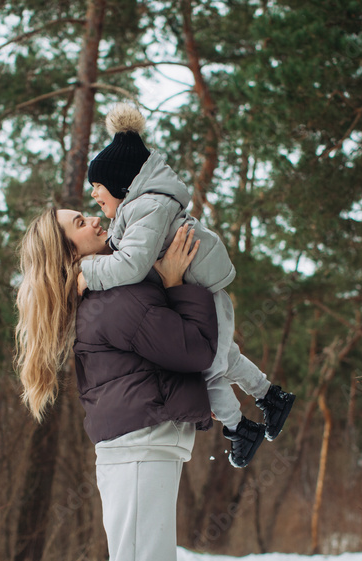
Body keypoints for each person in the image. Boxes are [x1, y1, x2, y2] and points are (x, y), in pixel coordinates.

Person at [14, 205, 217, 561]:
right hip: (140, 448)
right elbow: (195, 350)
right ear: (69, 252)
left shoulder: (107, 292)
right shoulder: (113, 299)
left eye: (86, 212)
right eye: (78, 224)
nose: (92, 219)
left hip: (135, 449)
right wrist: (175, 286)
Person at [78, 102, 296, 468]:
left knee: (208, 371)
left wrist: (89, 271)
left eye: (98, 186)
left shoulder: (147, 207)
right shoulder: (137, 210)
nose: (94, 195)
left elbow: (130, 264)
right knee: (224, 357)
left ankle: (239, 429)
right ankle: (271, 396)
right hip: (200, 292)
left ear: (120, 183)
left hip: (204, 293)